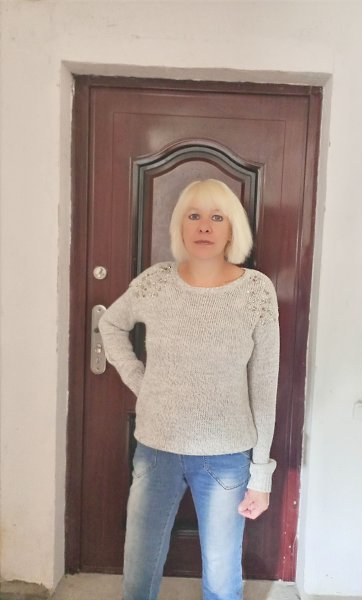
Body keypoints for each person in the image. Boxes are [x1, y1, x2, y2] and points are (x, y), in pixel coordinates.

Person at [99, 179, 280, 600]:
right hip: (156, 449)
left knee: (222, 579)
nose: (204, 226)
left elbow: (264, 388)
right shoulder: (155, 283)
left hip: (226, 457)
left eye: (217, 217)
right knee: (138, 574)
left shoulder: (256, 291)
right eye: (194, 216)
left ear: (232, 229)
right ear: (180, 226)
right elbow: (110, 324)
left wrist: (261, 475)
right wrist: (141, 381)